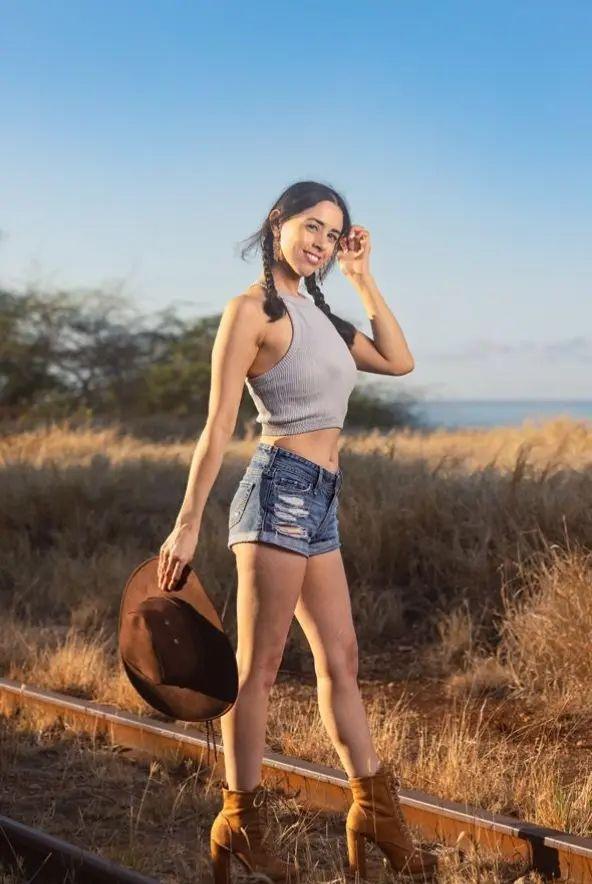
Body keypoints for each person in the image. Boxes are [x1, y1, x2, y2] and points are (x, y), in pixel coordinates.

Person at [157, 181, 438, 882]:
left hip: (321, 500)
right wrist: (186, 526)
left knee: (341, 658)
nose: (319, 243)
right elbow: (219, 424)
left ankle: (373, 807)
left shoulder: (323, 314)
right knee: (257, 666)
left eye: (333, 235)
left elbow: (399, 360)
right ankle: (240, 819)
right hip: (277, 490)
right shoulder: (250, 311)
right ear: (277, 223)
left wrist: (363, 278)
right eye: (311, 227)